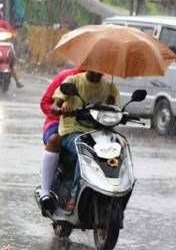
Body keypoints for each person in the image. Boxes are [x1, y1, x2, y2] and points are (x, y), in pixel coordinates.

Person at [51, 70, 120, 211]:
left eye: (101, 68)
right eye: (95, 67)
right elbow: (54, 106)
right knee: (85, 150)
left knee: (117, 150)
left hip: (98, 136)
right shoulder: (73, 81)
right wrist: (60, 109)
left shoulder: (110, 87)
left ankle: (112, 191)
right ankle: (74, 196)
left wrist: (116, 110)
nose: (97, 72)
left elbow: (116, 109)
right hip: (71, 133)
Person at [38, 66, 84, 213]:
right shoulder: (66, 77)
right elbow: (45, 103)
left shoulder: (104, 84)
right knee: (55, 139)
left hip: (87, 128)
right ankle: (45, 192)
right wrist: (60, 112)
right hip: (58, 124)